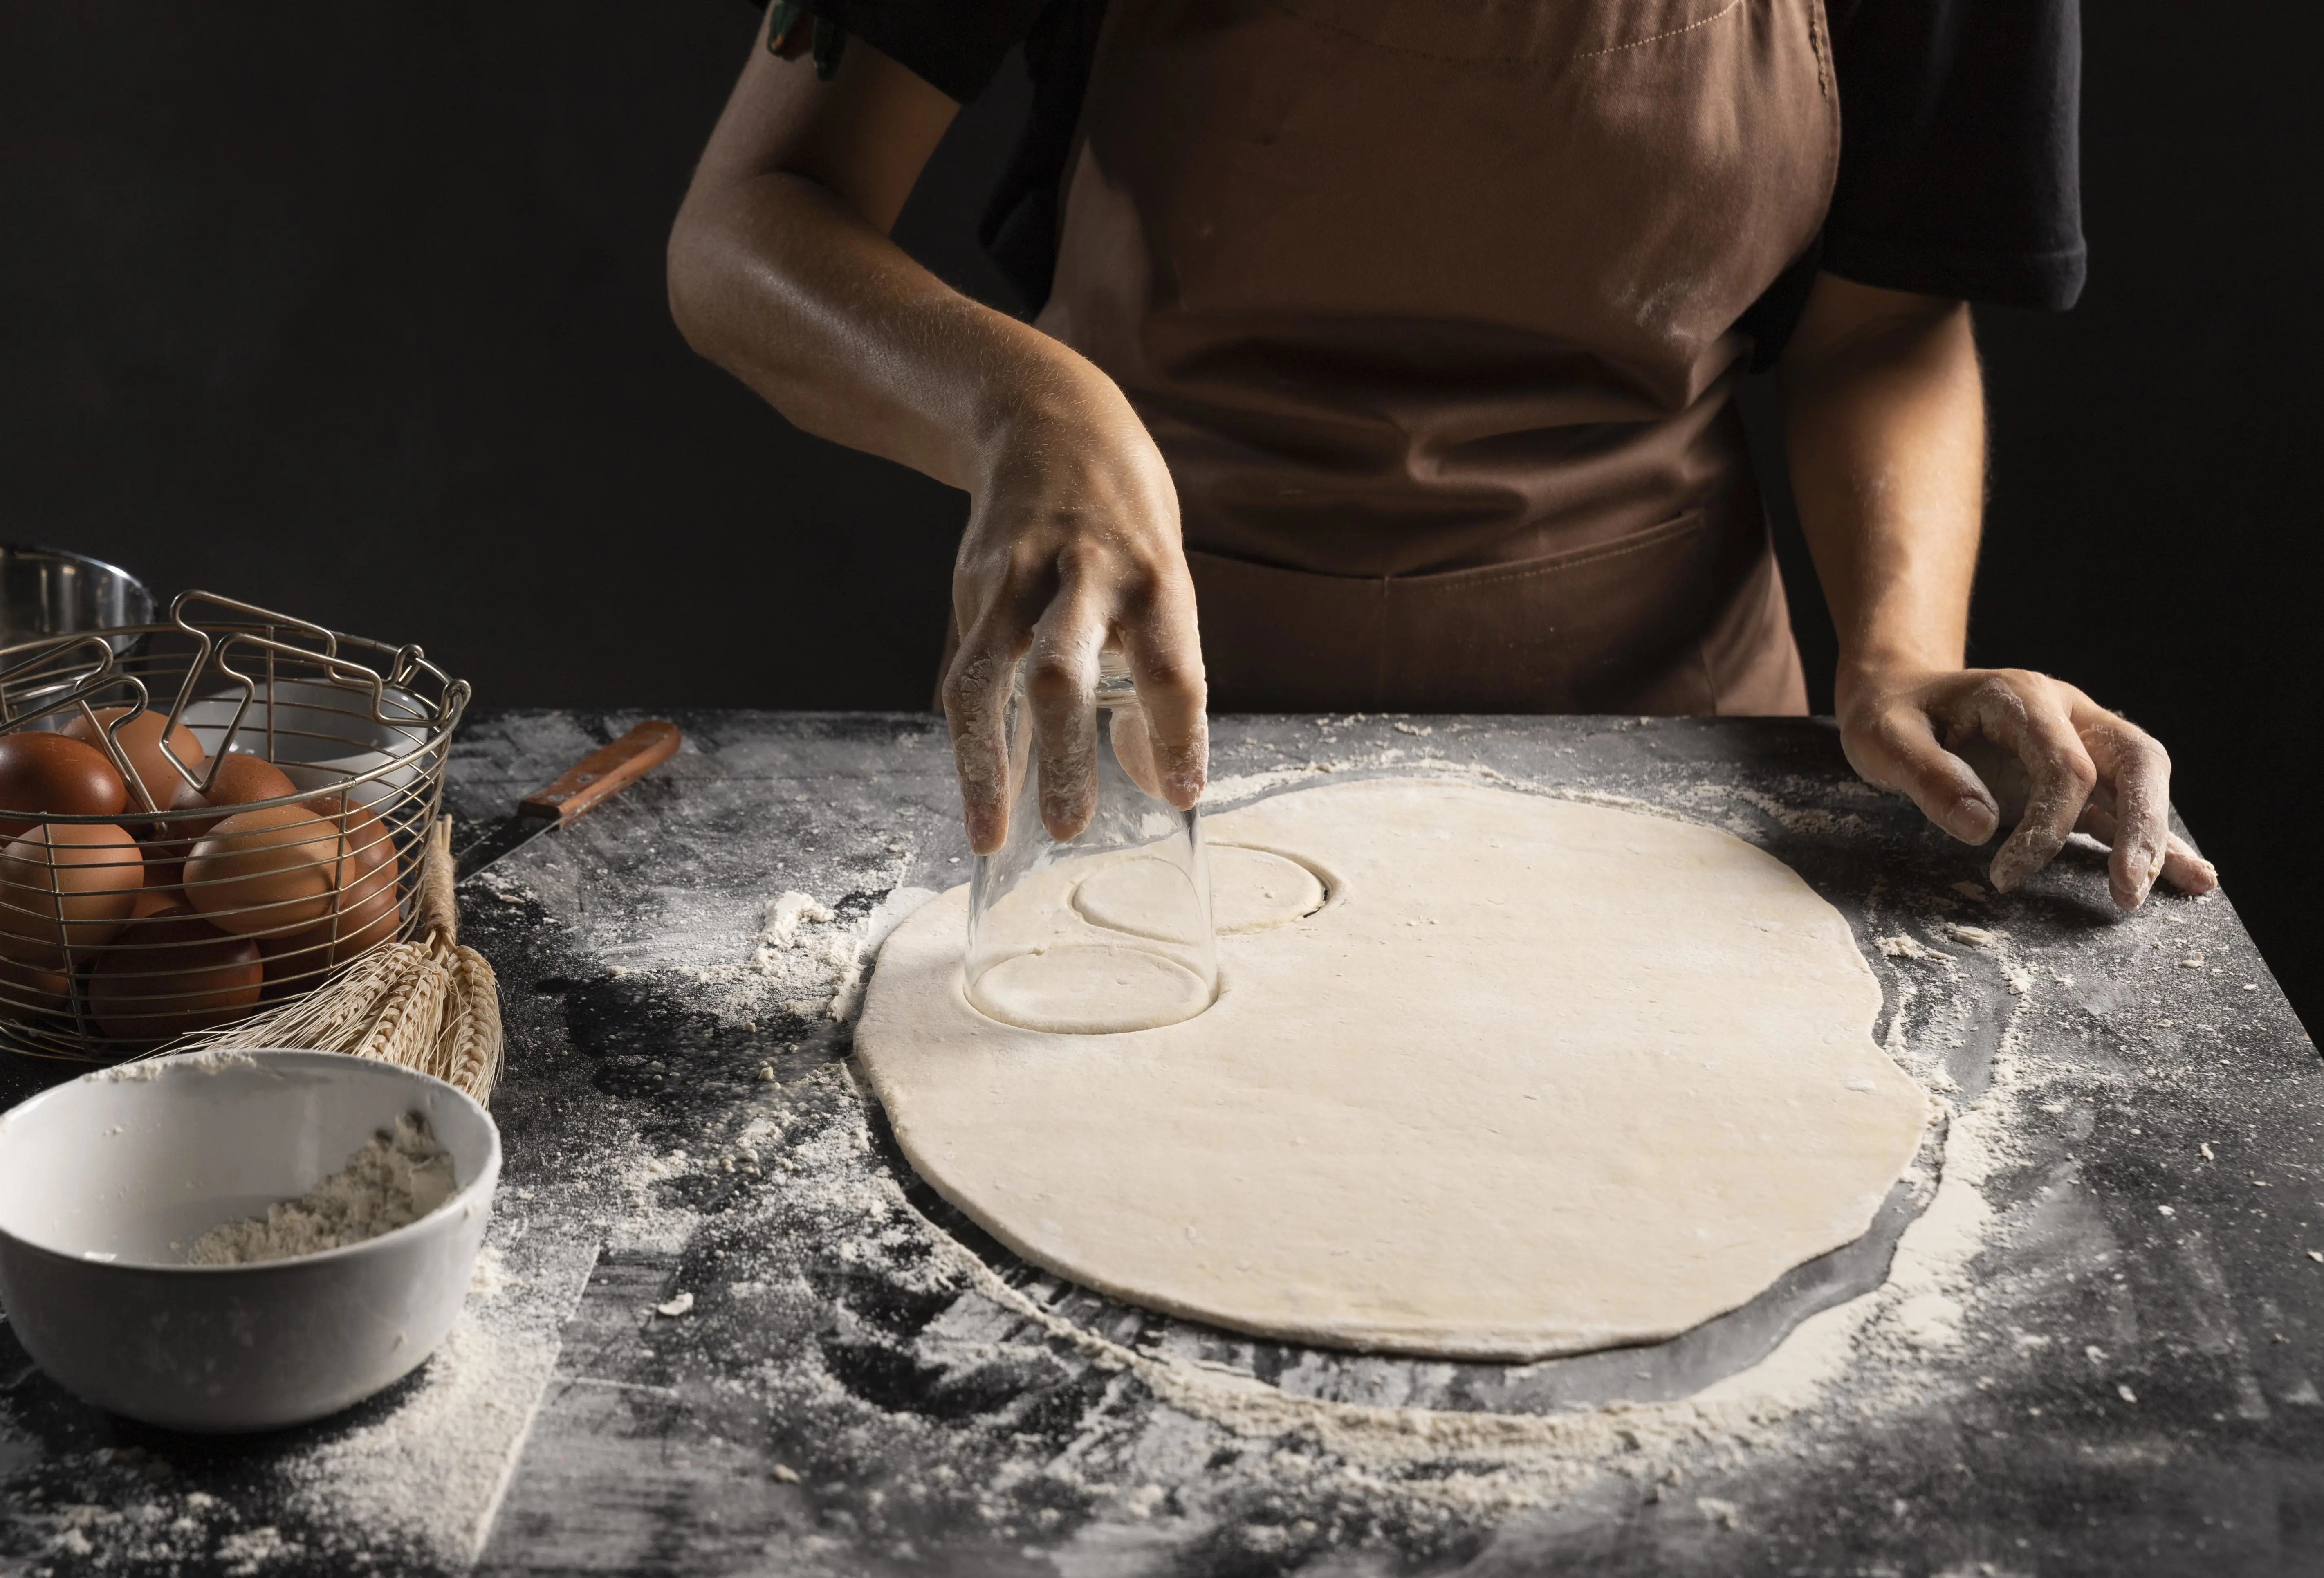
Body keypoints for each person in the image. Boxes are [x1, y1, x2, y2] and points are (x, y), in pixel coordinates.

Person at [668, 0, 2216, 910]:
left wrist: (1898, 652)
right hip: (1152, 737)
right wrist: (1026, 408)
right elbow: (751, 221)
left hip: (1667, 776)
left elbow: (1882, 325)